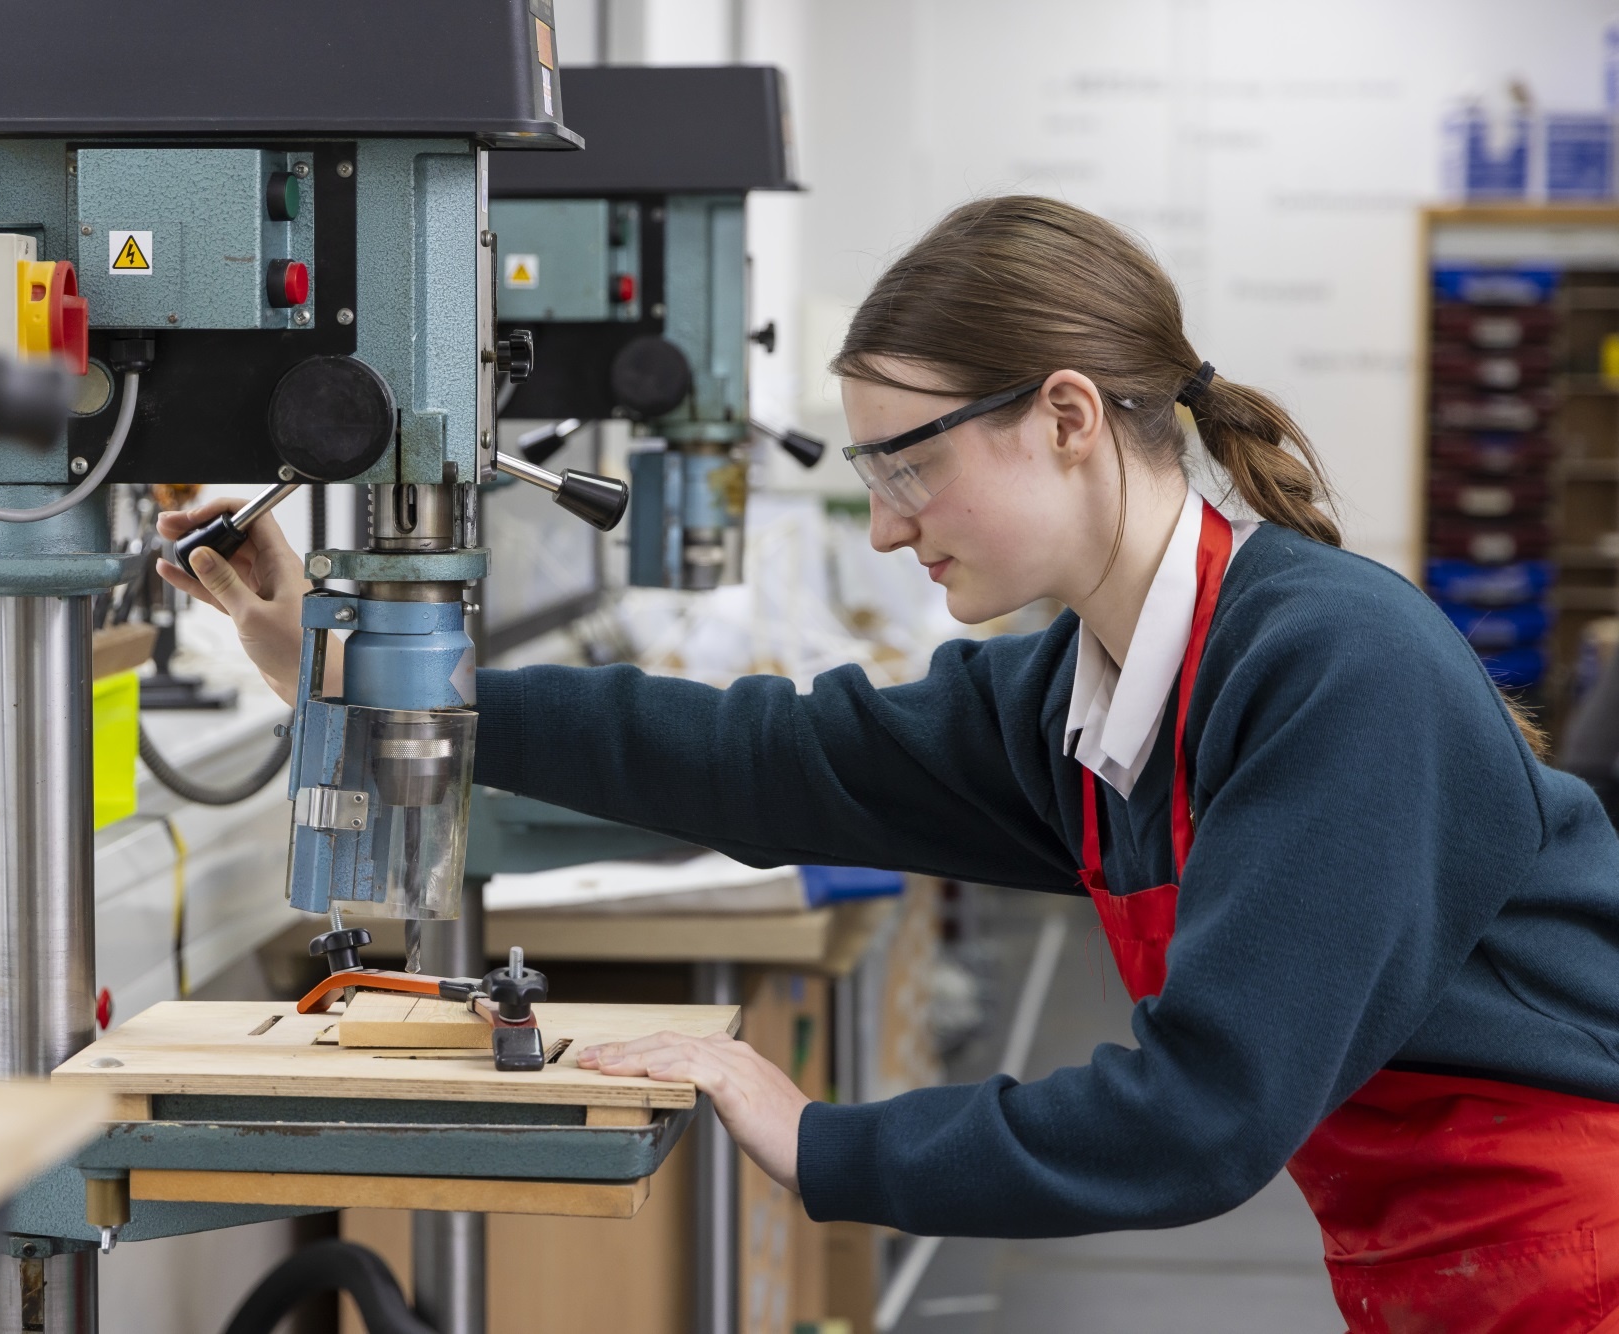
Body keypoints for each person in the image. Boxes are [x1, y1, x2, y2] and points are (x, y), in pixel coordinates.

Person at [158, 196, 1619, 1334]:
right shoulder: (1085, 689)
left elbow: (1202, 1116)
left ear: (1064, 417)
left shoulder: (1326, 667)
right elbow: (777, 759)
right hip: (1450, 1268)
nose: (886, 527)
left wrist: (822, 1138)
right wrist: (346, 677)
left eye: (911, 467)